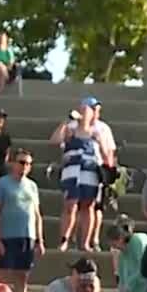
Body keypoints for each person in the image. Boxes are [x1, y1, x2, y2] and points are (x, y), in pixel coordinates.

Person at [0, 148, 43, 292]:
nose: (25, 166)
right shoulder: (2, 183)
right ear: (12, 163)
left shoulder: (32, 186)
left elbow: (37, 214)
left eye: (28, 164)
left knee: (23, 275)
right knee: (2, 275)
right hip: (8, 235)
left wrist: (40, 240)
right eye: (21, 162)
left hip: (27, 236)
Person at [53, 98, 103, 251]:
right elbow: (55, 140)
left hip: (90, 173)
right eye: (81, 110)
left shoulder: (97, 133)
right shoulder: (70, 130)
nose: (83, 113)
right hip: (72, 172)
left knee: (88, 207)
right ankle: (64, 240)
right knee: (70, 205)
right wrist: (65, 122)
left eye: (86, 110)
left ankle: (85, 243)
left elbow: (106, 152)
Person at [109, 220, 147, 292]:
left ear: (121, 239)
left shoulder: (138, 241)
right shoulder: (122, 255)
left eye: (114, 244)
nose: (115, 248)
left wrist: (129, 284)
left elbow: (144, 269)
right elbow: (122, 278)